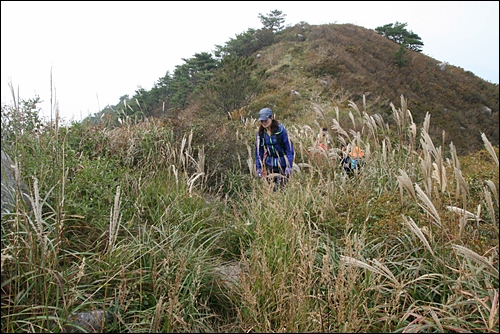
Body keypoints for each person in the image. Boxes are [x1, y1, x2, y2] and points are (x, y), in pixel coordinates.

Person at [255, 108, 295, 189]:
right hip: (269, 163)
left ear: (272, 117)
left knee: (282, 187)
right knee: (271, 188)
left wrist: (289, 166)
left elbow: (289, 149)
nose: (264, 123)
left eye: (266, 120)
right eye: (262, 121)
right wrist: (258, 167)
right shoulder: (261, 133)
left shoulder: (281, 131)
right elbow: (259, 151)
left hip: (283, 163)